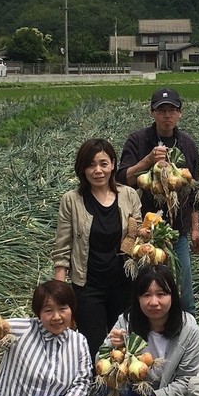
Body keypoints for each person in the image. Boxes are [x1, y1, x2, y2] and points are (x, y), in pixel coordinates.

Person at [94, 264, 199, 396]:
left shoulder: (188, 328)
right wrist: (112, 347)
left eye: (161, 294)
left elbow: (188, 380)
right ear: (137, 298)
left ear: (173, 296)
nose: (154, 302)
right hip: (134, 394)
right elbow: (101, 365)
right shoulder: (127, 322)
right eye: (146, 295)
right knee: (101, 389)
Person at [52, 138, 142, 357]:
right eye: (91, 165)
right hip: (88, 287)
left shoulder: (128, 195)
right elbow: (62, 248)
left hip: (124, 284)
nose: (98, 170)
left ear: (113, 164)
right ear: (82, 169)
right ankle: (94, 380)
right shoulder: (72, 201)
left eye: (103, 163)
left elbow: (138, 236)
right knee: (94, 349)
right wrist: (59, 293)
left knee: (124, 347)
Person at [119, 87, 199, 315]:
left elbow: (193, 192)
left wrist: (195, 229)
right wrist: (147, 161)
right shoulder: (138, 140)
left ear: (180, 112)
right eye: (161, 110)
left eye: (172, 110)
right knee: (144, 292)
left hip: (177, 232)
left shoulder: (187, 145)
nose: (167, 115)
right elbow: (122, 179)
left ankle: (188, 333)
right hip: (143, 233)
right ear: (152, 113)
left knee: (184, 294)